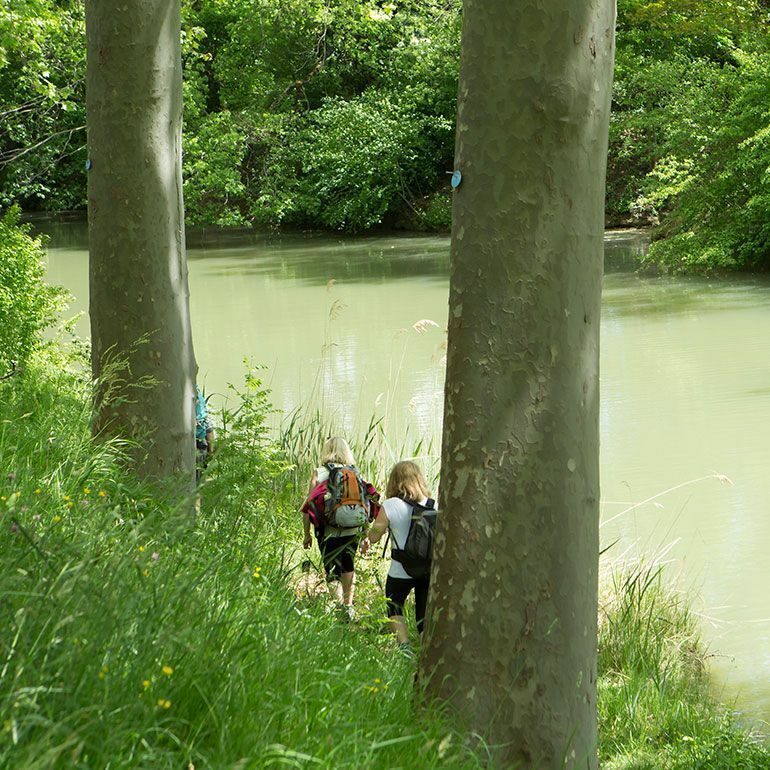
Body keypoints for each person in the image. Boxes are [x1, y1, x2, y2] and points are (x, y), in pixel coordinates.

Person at [300, 437, 379, 621]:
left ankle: (338, 608)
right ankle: (348, 606)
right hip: (353, 528)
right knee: (348, 565)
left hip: (329, 530)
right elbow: (366, 504)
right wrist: (365, 534)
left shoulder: (319, 473)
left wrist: (306, 534)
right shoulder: (356, 473)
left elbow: (308, 506)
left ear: (326, 451)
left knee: (332, 569)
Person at [364, 460, 435, 652]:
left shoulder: (391, 505)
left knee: (394, 606)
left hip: (399, 570)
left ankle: (404, 648)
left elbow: (375, 536)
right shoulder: (431, 505)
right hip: (426, 569)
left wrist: (369, 536)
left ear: (395, 481)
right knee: (423, 613)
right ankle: (427, 651)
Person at [195, 385, 215, 482]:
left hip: (195, 445)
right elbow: (208, 426)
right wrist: (211, 450)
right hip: (200, 444)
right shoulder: (198, 395)